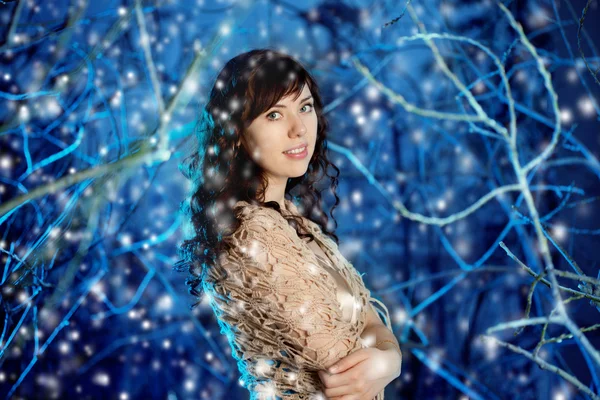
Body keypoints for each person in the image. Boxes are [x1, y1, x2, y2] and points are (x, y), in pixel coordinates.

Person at [176, 48, 401, 399]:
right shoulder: (251, 234)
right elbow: (343, 370)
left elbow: (373, 326)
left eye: (305, 107)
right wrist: (386, 359)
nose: (299, 129)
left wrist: (389, 361)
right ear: (237, 132)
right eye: (274, 114)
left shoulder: (295, 221)